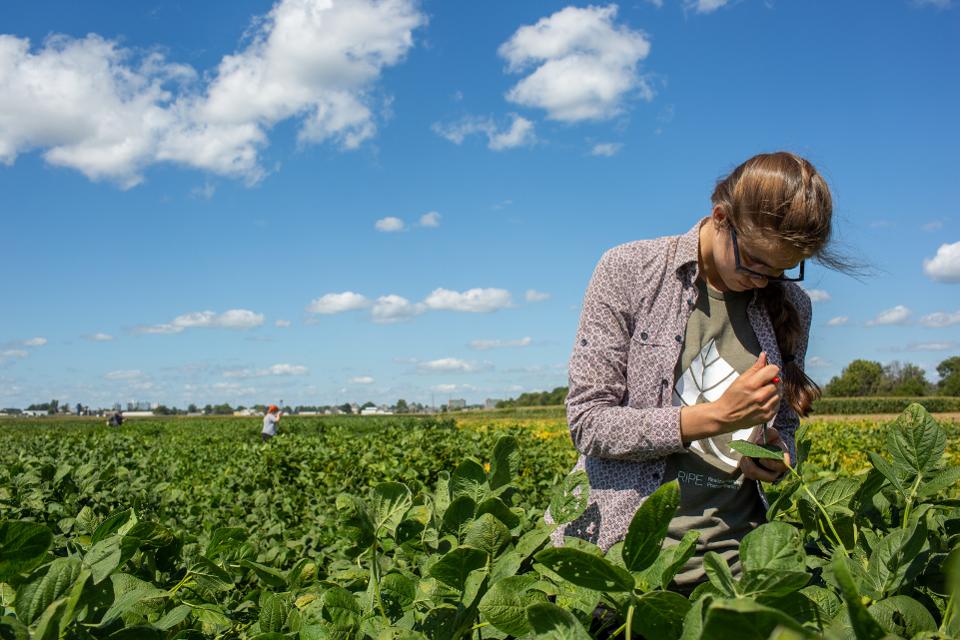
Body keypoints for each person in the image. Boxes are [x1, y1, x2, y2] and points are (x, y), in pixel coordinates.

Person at [547, 151, 856, 597]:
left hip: (736, 570)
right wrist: (715, 417)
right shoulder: (629, 270)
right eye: (754, 262)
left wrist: (775, 454)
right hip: (617, 567)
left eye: (784, 269)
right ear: (721, 217)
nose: (764, 281)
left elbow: (784, 425)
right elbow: (589, 424)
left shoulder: (792, 305)